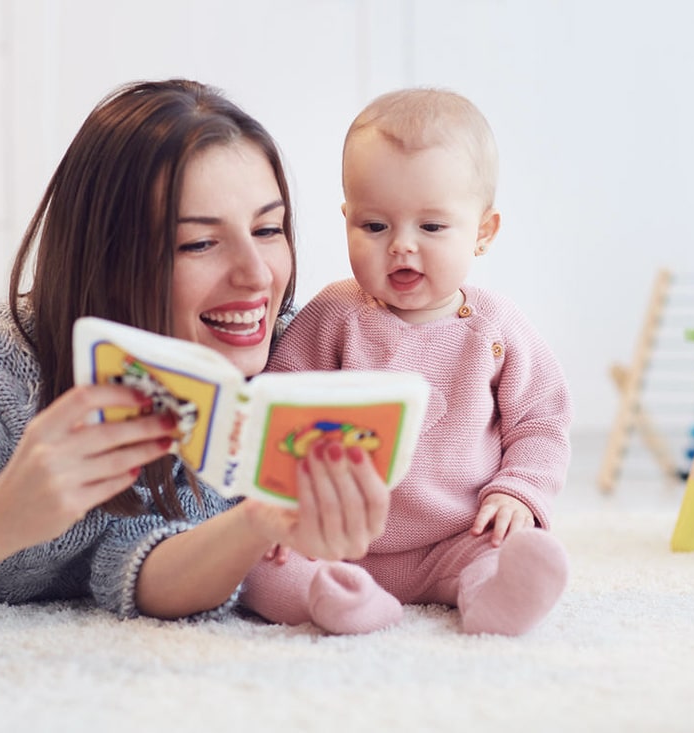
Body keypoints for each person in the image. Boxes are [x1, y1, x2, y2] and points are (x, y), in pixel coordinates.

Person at [0, 79, 392, 642]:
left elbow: (138, 566)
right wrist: (3, 515)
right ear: (109, 256)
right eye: (198, 242)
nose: (256, 276)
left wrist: (260, 522)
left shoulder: (295, 355)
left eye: (268, 229)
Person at [239, 87, 573, 636]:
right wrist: (275, 504)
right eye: (375, 226)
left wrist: (519, 491)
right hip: (334, 538)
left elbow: (542, 418)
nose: (401, 246)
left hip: (456, 535)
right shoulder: (334, 315)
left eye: (432, 227)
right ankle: (341, 601)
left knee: (501, 546)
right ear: (347, 218)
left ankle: (494, 596)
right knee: (260, 570)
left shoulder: (496, 327)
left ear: (483, 232)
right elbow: (276, 413)